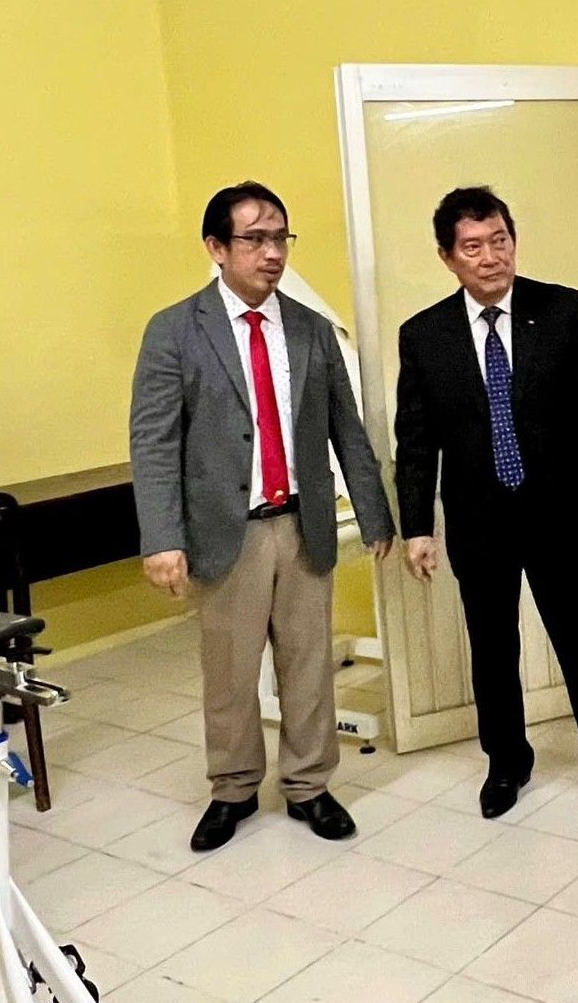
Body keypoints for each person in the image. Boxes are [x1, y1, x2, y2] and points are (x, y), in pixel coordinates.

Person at [130, 181, 396, 852]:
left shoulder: (309, 329)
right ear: (217, 247)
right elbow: (154, 441)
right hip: (227, 531)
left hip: (303, 523)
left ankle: (309, 784)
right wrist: (162, 538)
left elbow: (346, 427)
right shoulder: (174, 330)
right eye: (254, 239)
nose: (272, 252)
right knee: (230, 670)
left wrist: (374, 513)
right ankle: (233, 787)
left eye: (280, 238)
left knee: (308, 666)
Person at [394, 186, 578, 826]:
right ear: (448, 257)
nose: (490, 256)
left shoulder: (561, 310)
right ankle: (506, 763)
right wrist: (417, 526)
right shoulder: (424, 335)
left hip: (560, 514)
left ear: (513, 240)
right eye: (473, 246)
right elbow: (415, 438)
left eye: (499, 240)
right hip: (478, 522)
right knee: (493, 650)